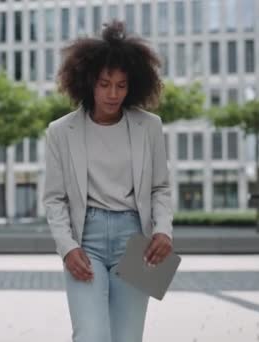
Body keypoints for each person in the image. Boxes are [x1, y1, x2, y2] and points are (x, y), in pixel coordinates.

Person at [43, 21, 174, 342]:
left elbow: (160, 187)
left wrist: (163, 230)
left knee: (128, 338)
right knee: (91, 335)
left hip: (135, 240)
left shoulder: (150, 127)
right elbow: (54, 199)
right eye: (104, 84)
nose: (113, 94)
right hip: (86, 241)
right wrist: (67, 247)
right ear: (88, 82)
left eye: (121, 85)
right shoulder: (60, 131)